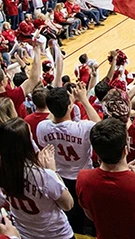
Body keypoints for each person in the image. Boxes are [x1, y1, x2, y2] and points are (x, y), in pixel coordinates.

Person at [35, 85, 100, 235]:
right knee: (88, 212)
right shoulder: (83, 127)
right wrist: (83, 99)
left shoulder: (42, 127)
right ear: (69, 106)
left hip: (61, 176)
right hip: (83, 176)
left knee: (70, 212)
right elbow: (101, 126)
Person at [0, 119, 74, 239]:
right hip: (56, 234)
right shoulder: (45, 176)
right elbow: (68, 204)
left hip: (25, 233)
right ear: (26, 141)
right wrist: (53, 171)